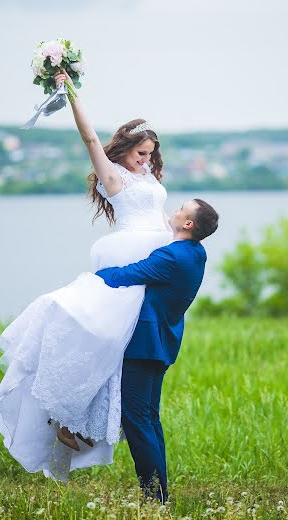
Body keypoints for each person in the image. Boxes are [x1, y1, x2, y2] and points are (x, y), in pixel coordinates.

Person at [0, 70, 173, 481]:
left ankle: (78, 420)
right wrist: (70, 92)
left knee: (120, 348)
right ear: (125, 151)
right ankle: (66, 414)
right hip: (128, 262)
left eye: (150, 154)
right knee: (101, 338)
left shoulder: (147, 178)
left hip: (154, 262)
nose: (145, 161)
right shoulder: (114, 177)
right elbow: (90, 138)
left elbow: (161, 214)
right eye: (140, 154)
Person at [96, 198, 219, 503]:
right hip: (162, 343)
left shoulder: (171, 256)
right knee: (149, 418)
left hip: (143, 346)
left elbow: (127, 275)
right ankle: (160, 493)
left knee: (137, 419)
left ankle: (154, 497)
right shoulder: (195, 252)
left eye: (180, 210)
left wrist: (93, 278)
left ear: (188, 224)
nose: (174, 212)